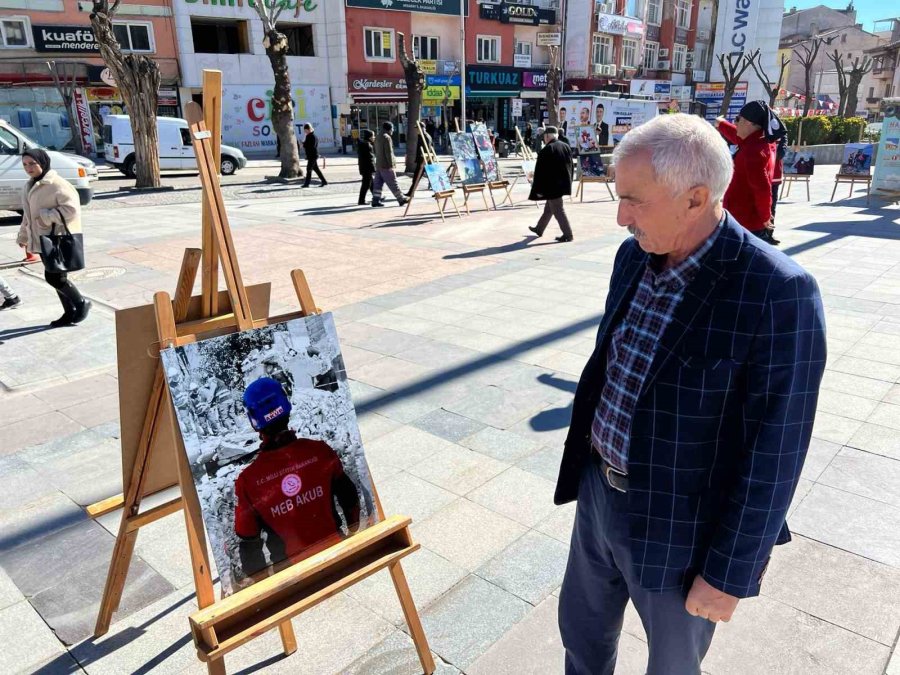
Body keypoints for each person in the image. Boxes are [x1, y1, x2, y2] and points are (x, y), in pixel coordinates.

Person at [555, 113, 826, 675]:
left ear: (696, 198)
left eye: (635, 200)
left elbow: (776, 452)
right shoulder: (635, 256)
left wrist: (729, 573)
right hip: (599, 496)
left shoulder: (777, 292)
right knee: (581, 637)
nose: (621, 216)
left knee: (673, 666)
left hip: (686, 529)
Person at [234, 377, 362, 578]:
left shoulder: (247, 481)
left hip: (291, 578)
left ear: (254, 421)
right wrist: (353, 532)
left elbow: (249, 543)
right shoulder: (320, 452)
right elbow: (350, 499)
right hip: (339, 559)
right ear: (285, 405)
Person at [16, 148, 90, 327]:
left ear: (43, 162)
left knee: (55, 277)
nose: (29, 168)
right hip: (42, 239)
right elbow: (27, 215)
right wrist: (23, 236)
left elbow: (72, 210)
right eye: (25, 164)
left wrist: (45, 215)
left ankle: (80, 303)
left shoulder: (57, 184)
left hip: (56, 237)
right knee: (56, 275)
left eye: (32, 163)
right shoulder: (30, 185)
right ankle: (69, 311)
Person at [715, 100, 785, 244]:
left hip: (745, 221)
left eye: (738, 119)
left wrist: (766, 216)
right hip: (745, 219)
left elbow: (762, 189)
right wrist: (721, 124)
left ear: (749, 123)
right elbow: (737, 135)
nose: (735, 123)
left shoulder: (753, 152)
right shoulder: (760, 140)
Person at [527, 126, 574, 243]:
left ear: (547, 136)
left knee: (558, 210)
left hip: (552, 186)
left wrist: (536, 187)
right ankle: (539, 228)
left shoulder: (547, 150)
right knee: (549, 208)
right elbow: (571, 167)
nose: (543, 139)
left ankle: (568, 234)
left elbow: (540, 172)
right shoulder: (565, 146)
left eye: (544, 137)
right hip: (563, 184)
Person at [372, 122, 408, 208]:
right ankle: (401, 199)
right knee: (393, 182)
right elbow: (389, 152)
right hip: (386, 165)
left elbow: (374, 150)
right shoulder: (387, 137)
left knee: (377, 183)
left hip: (379, 164)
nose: (392, 131)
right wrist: (391, 165)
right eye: (392, 129)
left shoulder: (377, 137)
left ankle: (375, 200)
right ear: (389, 129)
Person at [301, 123, 327, 188]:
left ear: (308, 129)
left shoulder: (311, 136)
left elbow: (311, 146)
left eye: (305, 130)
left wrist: (303, 144)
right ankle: (324, 181)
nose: (304, 132)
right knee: (316, 169)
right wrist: (304, 143)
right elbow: (308, 145)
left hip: (312, 155)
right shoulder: (310, 135)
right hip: (312, 155)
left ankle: (307, 184)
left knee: (308, 169)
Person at [357, 129, 376, 206]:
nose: (374, 137)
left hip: (364, 167)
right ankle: (361, 200)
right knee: (366, 184)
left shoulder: (363, 144)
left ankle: (376, 197)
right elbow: (370, 159)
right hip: (367, 168)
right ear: (369, 137)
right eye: (373, 136)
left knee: (371, 183)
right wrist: (374, 169)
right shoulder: (368, 145)